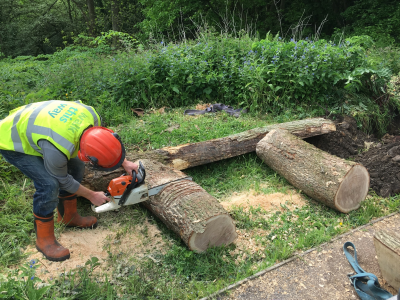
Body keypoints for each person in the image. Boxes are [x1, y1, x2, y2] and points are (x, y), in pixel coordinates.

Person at [0, 100, 138, 262]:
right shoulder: (57, 148)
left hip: (41, 124)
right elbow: (62, 180)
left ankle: (68, 217)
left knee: (77, 167)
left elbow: (106, 144)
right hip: (11, 138)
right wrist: (91, 195)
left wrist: (124, 162)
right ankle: (44, 239)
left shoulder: (92, 117)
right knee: (49, 184)